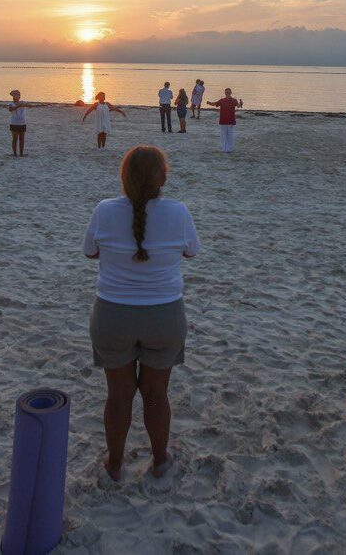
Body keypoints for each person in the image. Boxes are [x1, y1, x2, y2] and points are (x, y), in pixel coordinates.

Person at [82, 146, 199, 480]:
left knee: (118, 395)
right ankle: (160, 461)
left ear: (124, 177)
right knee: (156, 394)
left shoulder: (104, 210)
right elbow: (191, 252)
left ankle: (115, 464)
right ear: (163, 178)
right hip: (163, 317)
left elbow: (90, 252)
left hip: (112, 316)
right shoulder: (179, 211)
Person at [7, 89, 43, 157]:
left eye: (19, 95)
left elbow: (30, 105)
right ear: (14, 96)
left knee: (22, 139)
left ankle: (21, 154)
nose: (19, 96)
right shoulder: (11, 103)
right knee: (15, 139)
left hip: (22, 123)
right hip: (14, 123)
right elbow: (10, 109)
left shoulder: (23, 102)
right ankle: (15, 154)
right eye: (17, 94)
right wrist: (19, 106)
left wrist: (27, 105)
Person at [206, 88, 243, 153]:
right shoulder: (222, 100)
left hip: (231, 120)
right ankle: (224, 149)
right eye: (226, 92)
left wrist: (241, 103)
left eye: (228, 92)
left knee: (230, 135)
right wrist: (209, 103)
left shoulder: (234, 100)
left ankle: (229, 149)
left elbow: (238, 106)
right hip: (223, 120)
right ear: (225, 93)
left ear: (231, 93)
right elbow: (215, 104)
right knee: (223, 135)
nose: (227, 93)